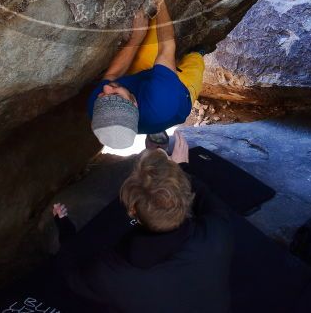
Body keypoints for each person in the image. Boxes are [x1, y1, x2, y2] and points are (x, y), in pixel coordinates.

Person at [52, 133, 234, 313]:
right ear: (186, 197)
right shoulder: (217, 231)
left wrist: (65, 230)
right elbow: (206, 196)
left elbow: (71, 270)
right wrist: (180, 170)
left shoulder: (109, 273)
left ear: (132, 212)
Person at [88, 0, 205, 149]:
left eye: (102, 96)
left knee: (150, 32)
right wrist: (160, 1)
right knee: (194, 64)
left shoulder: (100, 108)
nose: (106, 89)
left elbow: (111, 76)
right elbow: (167, 46)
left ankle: (155, 128)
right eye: (115, 94)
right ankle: (198, 53)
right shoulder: (162, 100)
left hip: (144, 81)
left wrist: (136, 38)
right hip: (180, 95)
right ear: (134, 103)